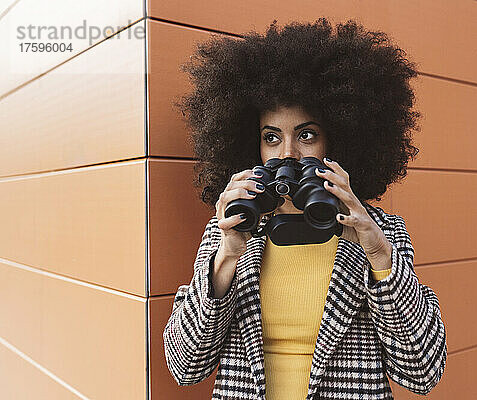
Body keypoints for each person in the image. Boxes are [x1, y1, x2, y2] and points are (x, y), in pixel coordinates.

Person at [163, 17, 447, 399]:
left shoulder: (381, 234)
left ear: (338, 143)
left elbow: (422, 372)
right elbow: (185, 366)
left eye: (307, 135)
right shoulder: (228, 231)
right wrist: (227, 258)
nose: (288, 154)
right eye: (271, 137)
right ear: (253, 146)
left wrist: (379, 254)